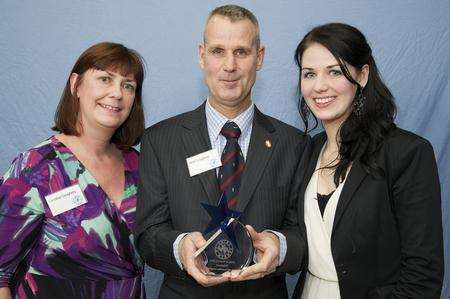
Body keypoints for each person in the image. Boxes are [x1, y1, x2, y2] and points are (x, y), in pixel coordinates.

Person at [135, 5, 309, 299]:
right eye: (218, 51)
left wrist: (279, 246)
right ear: (202, 55)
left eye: (241, 51)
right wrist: (181, 248)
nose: (230, 65)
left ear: (260, 57)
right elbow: (147, 234)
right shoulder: (159, 141)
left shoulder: (294, 144)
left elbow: (303, 237)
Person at [292, 23, 444, 298]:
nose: (319, 86)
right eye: (309, 74)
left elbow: (423, 274)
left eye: (335, 71)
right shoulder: (308, 151)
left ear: (362, 75)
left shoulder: (406, 152)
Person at [0, 42, 146, 299]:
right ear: (75, 85)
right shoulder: (36, 167)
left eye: (128, 85)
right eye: (104, 79)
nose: (116, 93)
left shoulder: (141, 166)